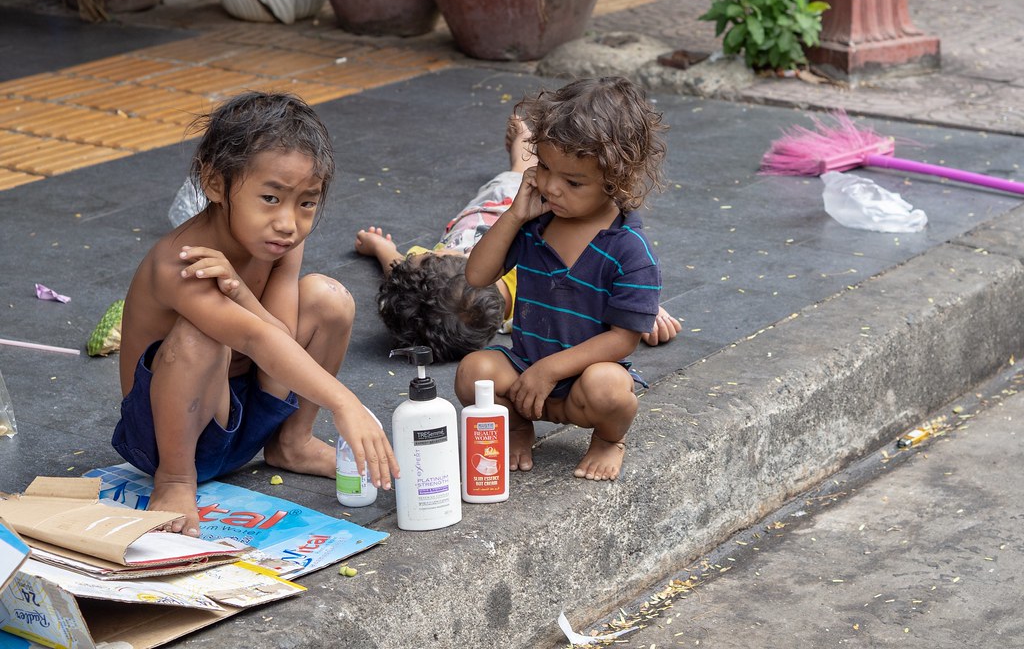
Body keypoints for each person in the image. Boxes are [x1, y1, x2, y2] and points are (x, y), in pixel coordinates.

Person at [112, 91, 398, 536]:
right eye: (271, 197)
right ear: (214, 184)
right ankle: (174, 482)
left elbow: (278, 335)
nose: (288, 222)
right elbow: (255, 341)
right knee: (199, 334)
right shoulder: (182, 262)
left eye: (306, 202)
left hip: (244, 416)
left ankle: (293, 442)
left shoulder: (281, 243)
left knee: (330, 298)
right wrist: (345, 402)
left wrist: (242, 293)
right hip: (165, 437)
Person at [453, 76, 668, 482]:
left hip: (583, 389)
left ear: (615, 180)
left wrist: (552, 369)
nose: (550, 186)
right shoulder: (536, 222)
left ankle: (608, 440)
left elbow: (623, 338)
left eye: (572, 182)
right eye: (545, 167)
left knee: (609, 387)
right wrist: (514, 215)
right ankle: (517, 427)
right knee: (472, 372)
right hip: (523, 376)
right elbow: (477, 275)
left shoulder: (630, 250)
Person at [354, 115, 680, 362]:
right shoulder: (531, 289)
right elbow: (591, 283)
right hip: (523, 208)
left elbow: (398, 269)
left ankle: (527, 150)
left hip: (485, 208)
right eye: (428, 257)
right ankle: (526, 150)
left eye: (425, 256)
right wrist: (643, 310)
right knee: (522, 176)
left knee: (523, 174)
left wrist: (380, 247)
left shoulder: (431, 274)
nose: (423, 254)